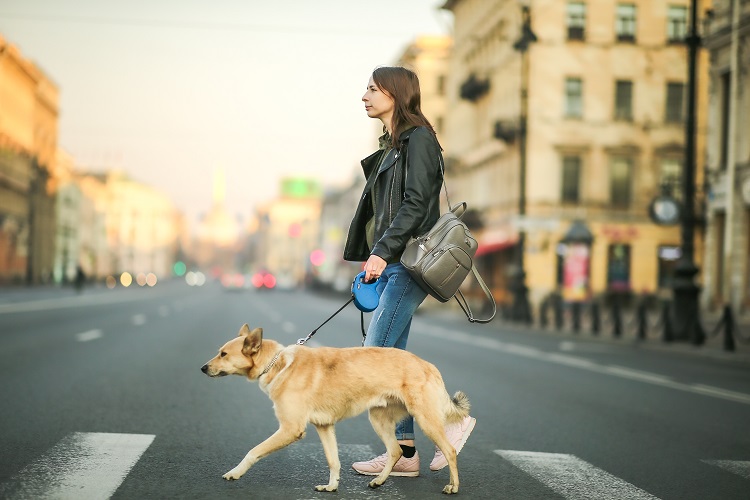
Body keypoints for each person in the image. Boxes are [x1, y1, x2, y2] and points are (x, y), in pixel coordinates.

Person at [343, 66, 476, 477]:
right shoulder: (395, 144)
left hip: (407, 263)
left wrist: (382, 252)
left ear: (395, 93)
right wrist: (376, 255)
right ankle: (405, 454)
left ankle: (452, 420)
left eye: (371, 88)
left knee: (376, 359)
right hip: (392, 263)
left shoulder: (418, 140)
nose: (363, 95)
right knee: (393, 361)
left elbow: (417, 204)